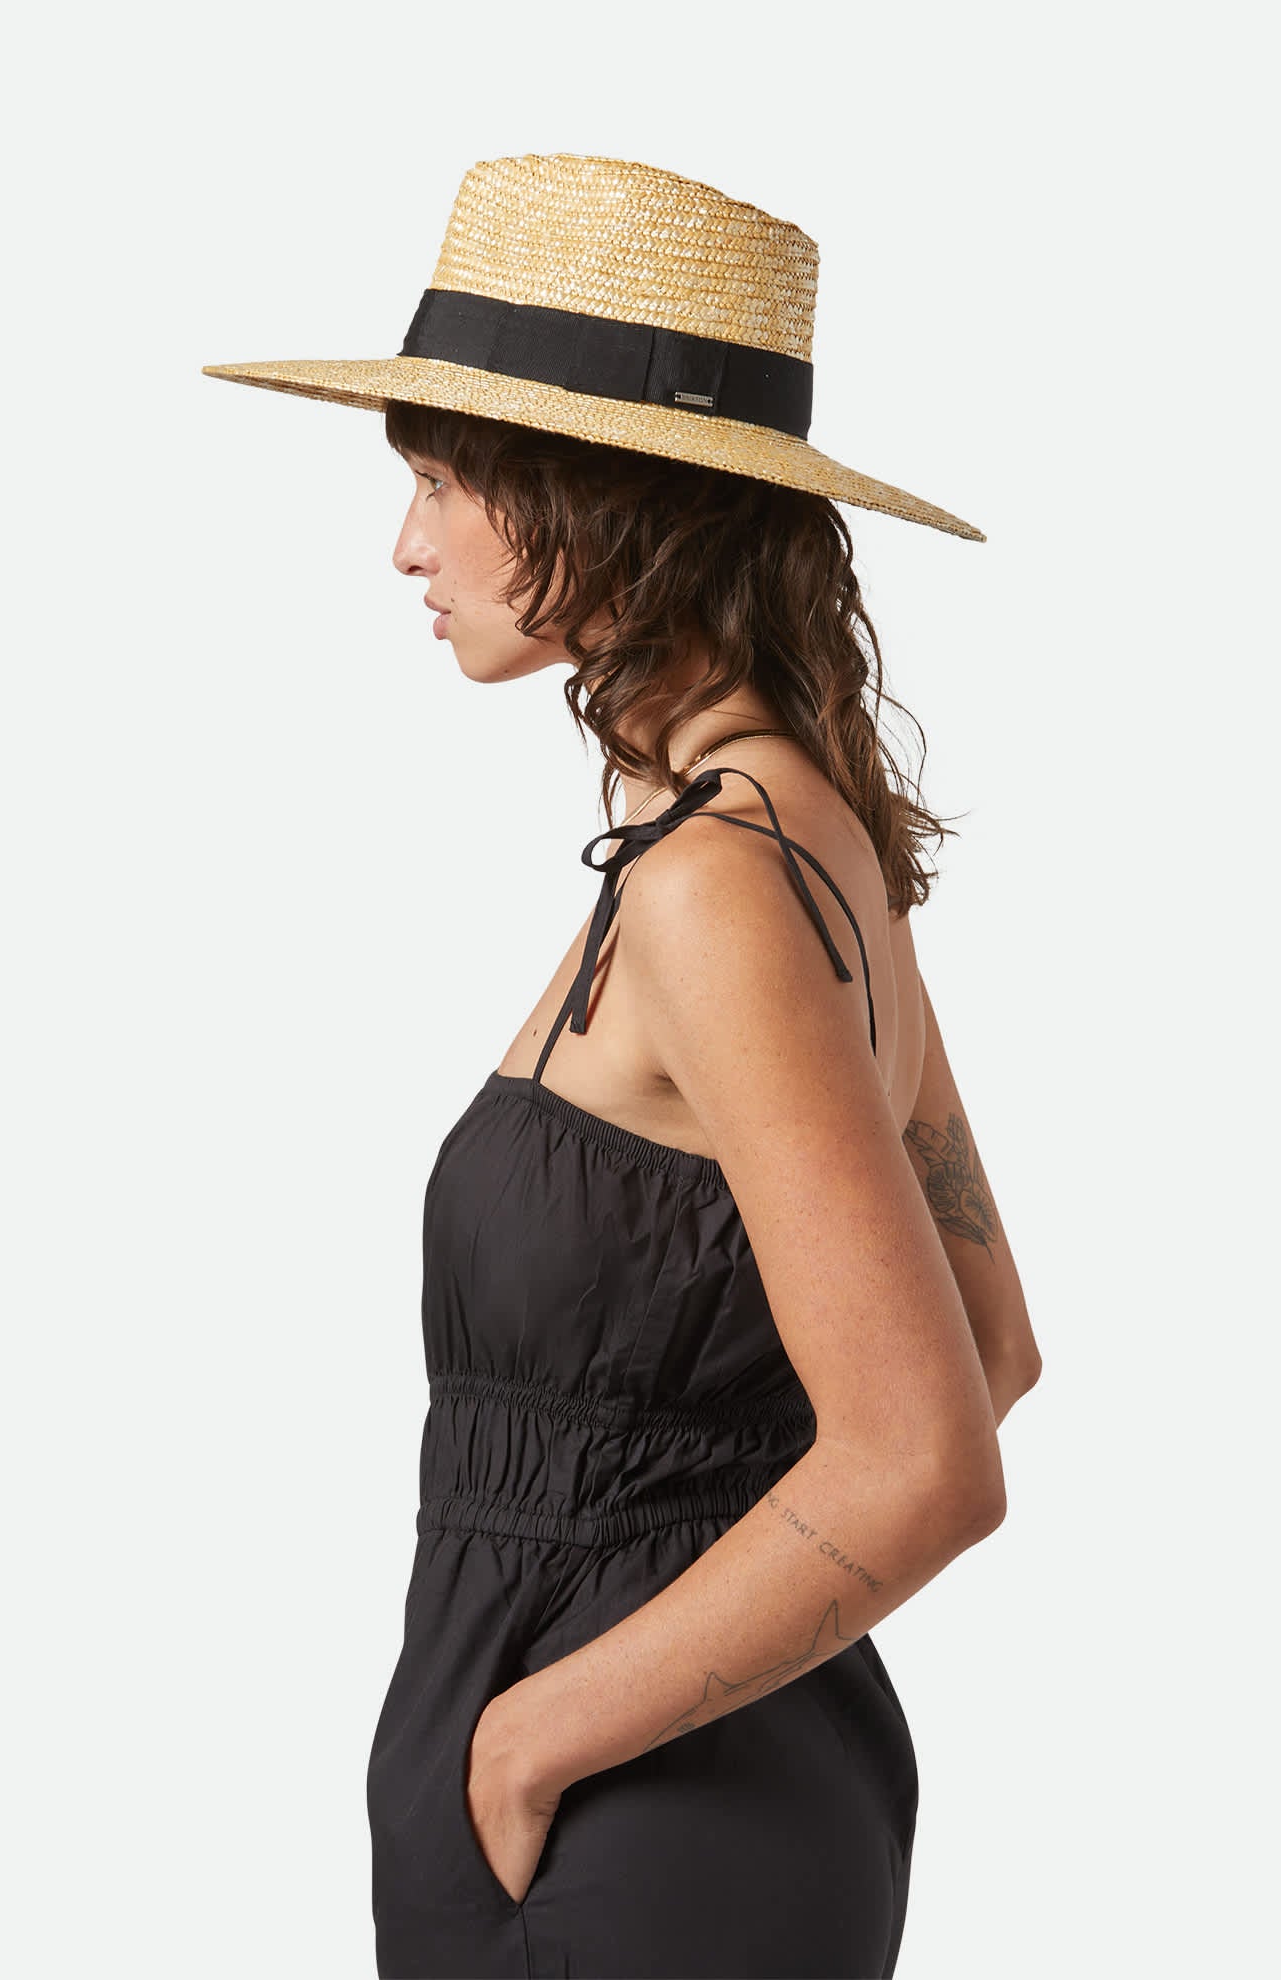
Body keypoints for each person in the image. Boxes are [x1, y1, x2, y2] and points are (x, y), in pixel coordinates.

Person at [203, 152, 1042, 1980]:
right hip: (673, 1784)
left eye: (443, 481)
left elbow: (930, 1451)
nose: (407, 546)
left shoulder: (722, 885)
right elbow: (989, 1343)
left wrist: (529, 1738)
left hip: (630, 1813)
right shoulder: (798, 839)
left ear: (602, 492)